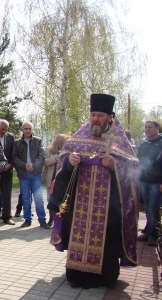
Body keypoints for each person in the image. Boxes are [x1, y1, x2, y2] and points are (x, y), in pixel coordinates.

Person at [48, 93, 138, 289]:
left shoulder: (119, 140)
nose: (96, 119)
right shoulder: (81, 136)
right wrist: (70, 160)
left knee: (105, 239)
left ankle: (103, 277)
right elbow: (63, 157)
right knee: (78, 234)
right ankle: (76, 275)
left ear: (110, 117)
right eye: (93, 114)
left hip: (108, 207)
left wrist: (114, 164)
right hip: (80, 202)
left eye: (100, 115)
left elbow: (133, 170)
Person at [12, 122, 49, 229]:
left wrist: (34, 165)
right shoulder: (17, 143)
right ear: (22, 130)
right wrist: (24, 165)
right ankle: (27, 219)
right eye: (26, 128)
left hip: (36, 174)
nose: (28, 130)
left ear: (32, 130)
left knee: (38, 197)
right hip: (23, 174)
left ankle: (42, 220)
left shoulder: (38, 141)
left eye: (29, 129)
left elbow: (41, 155)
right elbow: (14, 157)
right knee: (26, 198)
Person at [136, 121, 162, 246]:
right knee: (147, 208)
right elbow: (139, 162)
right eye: (145, 127)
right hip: (144, 181)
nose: (147, 129)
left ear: (158, 128)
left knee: (153, 208)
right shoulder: (143, 144)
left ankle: (153, 236)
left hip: (157, 183)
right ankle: (148, 232)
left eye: (150, 127)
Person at [43, 134, 71, 226]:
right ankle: (51, 219)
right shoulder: (48, 150)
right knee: (50, 200)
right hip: (51, 179)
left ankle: (60, 219)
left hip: (62, 180)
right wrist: (55, 158)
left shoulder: (68, 152)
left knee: (61, 200)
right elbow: (45, 162)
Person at [0, 119, 15, 225]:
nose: (4, 131)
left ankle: (7, 217)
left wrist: (10, 164)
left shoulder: (11, 137)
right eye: (2, 129)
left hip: (7, 170)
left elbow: (14, 153)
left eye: (6, 130)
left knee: (7, 194)